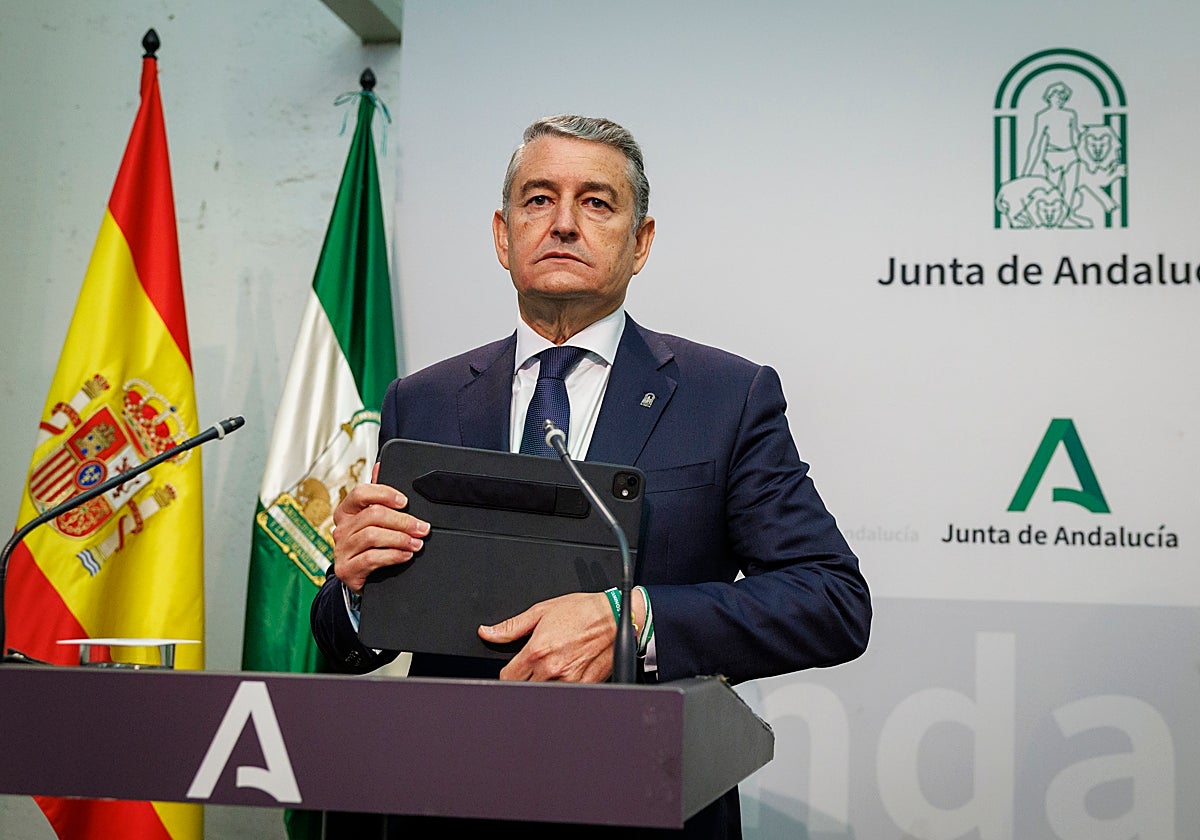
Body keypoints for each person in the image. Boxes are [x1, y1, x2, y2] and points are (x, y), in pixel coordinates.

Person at [310, 114, 871, 839]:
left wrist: (634, 619)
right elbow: (347, 636)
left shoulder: (726, 398)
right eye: (539, 199)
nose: (564, 223)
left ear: (641, 243)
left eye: (597, 202)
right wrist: (355, 588)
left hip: (645, 801)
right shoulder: (422, 400)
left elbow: (829, 598)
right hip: (453, 801)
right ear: (503, 235)